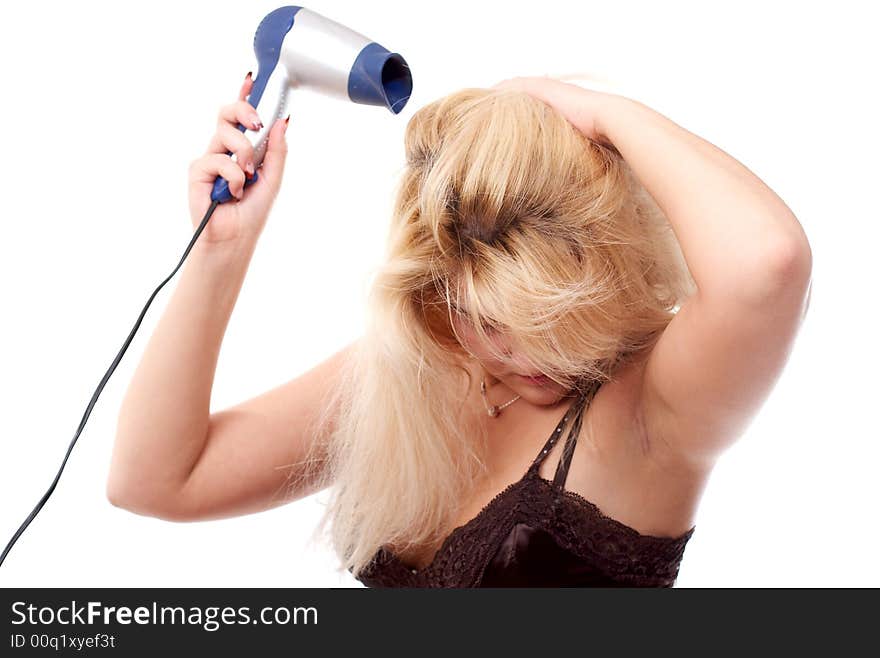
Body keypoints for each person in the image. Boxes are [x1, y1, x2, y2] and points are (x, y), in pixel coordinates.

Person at [106, 72, 813, 587]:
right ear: (437, 294)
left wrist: (602, 112)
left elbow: (766, 263)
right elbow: (155, 481)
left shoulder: (650, 406)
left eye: (557, 322)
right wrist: (219, 251)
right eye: (489, 323)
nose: (527, 355)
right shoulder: (422, 359)